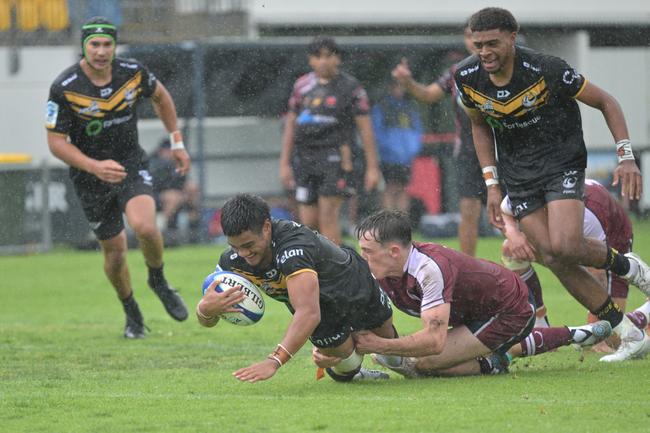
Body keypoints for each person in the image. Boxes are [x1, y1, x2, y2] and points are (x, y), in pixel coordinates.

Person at [454, 7, 650, 360]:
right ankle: (626, 330)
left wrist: (626, 156)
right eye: (479, 44)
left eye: (492, 43)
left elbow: (606, 102)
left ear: (513, 38)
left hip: (562, 162)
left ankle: (628, 268)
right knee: (552, 255)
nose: (484, 52)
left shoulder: (547, 69)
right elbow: (478, 124)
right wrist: (492, 183)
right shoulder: (467, 76)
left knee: (566, 243)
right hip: (518, 174)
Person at [323, 209, 611, 379]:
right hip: (474, 313)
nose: (363, 258)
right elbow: (359, 311)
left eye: (367, 252)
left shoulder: (428, 270)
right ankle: (575, 333)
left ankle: (495, 363)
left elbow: (433, 342)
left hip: (509, 309)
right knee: (417, 356)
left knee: (423, 364)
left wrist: (379, 345)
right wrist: (333, 344)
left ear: (394, 251)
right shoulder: (383, 268)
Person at [45, 17, 190, 338]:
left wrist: (176, 142)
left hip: (128, 164)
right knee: (115, 252)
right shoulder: (64, 87)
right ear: (84, 46)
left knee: (146, 227)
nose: (100, 51)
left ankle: (158, 279)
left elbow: (162, 98)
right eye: (94, 44)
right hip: (90, 178)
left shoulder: (132, 73)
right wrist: (94, 166)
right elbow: (55, 143)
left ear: (114, 45)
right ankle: (131, 312)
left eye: (107, 44)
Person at [195, 194, 399, 383]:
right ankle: (354, 363)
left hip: (354, 286)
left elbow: (308, 314)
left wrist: (274, 360)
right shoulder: (232, 261)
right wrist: (205, 311)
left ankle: (398, 359)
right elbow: (207, 319)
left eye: (248, 245)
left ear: (267, 227)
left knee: (390, 348)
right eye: (234, 246)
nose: (243, 254)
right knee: (347, 367)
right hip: (320, 307)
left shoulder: (294, 247)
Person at [500, 179, 650, 360]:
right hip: (567, 225)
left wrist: (596, 331)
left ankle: (645, 313)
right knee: (511, 249)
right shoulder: (528, 190)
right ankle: (541, 326)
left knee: (611, 339)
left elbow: (597, 271)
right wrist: (513, 234)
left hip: (612, 235)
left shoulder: (584, 218)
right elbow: (505, 210)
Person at [392, 22, 484, 256]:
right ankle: (468, 269)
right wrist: (408, 82)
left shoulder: (506, 69)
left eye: (477, 35)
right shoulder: (458, 71)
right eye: (468, 36)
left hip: (506, 151)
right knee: (468, 209)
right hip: (469, 150)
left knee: (515, 211)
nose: (473, 41)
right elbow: (429, 94)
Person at [279, 36, 381, 245]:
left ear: (338, 59)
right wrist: (284, 164)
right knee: (308, 222)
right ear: (310, 60)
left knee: (328, 215)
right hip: (306, 158)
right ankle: (326, 265)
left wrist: (372, 167)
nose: (323, 61)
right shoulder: (301, 86)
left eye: (328, 56)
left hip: (336, 158)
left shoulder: (351, 88)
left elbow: (365, 129)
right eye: (318, 57)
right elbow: (291, 126)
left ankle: (334, 271)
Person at [371, 79, 423, 213]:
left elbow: (417, 131)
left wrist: (412, 149)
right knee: (389, 188)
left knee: (403, 188)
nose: (400, 90)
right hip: (388, 157)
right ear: (391, 88)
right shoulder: (382, 107)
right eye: (397, 87)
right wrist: (389, 149)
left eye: (402, 87)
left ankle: (402, 222)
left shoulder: (409, 108)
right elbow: (377, 132)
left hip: (405, 158)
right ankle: (388, 221)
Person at [149, 138, 201, 243]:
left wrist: (184, 194)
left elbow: (181, 182)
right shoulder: (154, 163)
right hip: (153, 197)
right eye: (168, 151)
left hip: (176, 195)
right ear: (161, 151)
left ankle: (194, 226)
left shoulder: (176, 163)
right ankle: (161, 233)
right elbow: (157, 184)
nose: (170, 154)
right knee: (172, 197)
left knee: (192, 188)